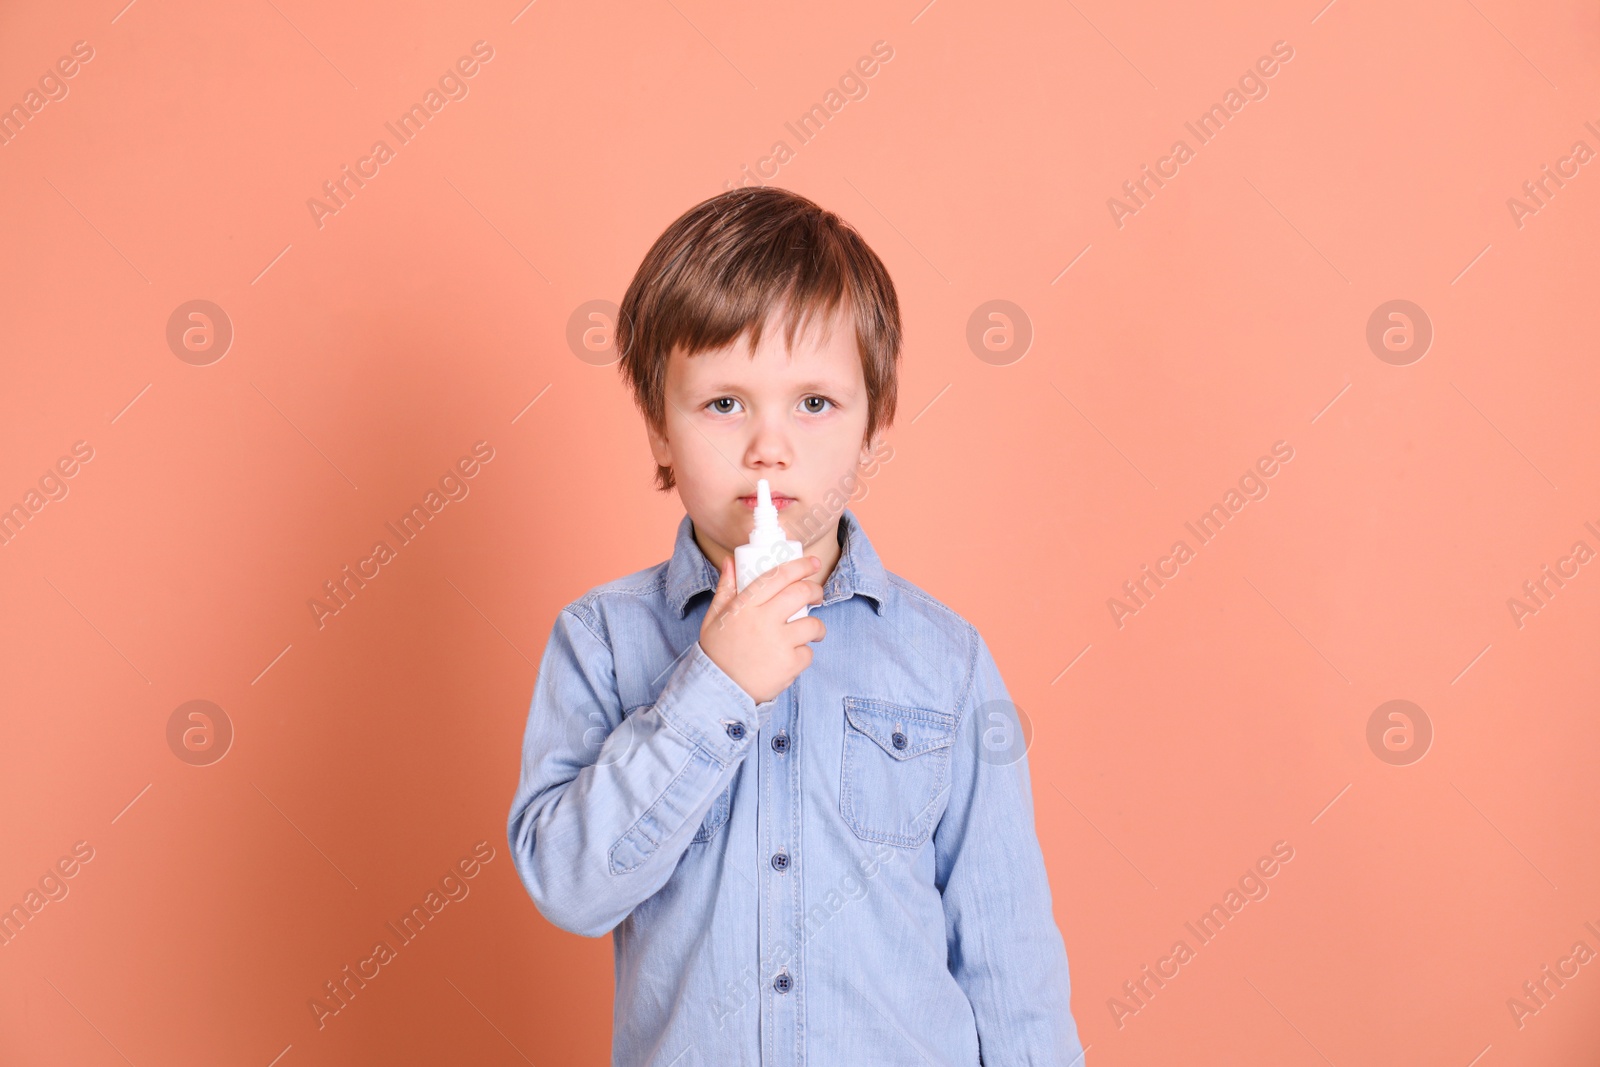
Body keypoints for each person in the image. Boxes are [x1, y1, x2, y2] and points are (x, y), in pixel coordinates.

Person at [507, 186, 1087, 1065]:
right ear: (659, 430)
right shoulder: (602, 640)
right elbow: (570, 887)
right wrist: (715, 685)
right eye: (724, 403)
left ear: (871, 426)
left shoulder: (946, 660)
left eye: (814, 404)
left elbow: (1008, 956)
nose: (768, 447)